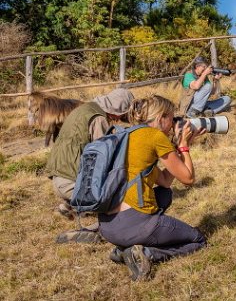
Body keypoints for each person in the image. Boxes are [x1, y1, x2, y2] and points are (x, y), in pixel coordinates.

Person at [99, 95, 207, 281]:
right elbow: (188, 179)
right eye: (172, 119)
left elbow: (165, 180)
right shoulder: (155, 136)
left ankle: (122, 250)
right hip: (133, 223)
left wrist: (175, 149)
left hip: (108, 226)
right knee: (198, 239)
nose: (173, 124)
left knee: (165, 194)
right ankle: (147, 253)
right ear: (160, 118)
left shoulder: (127, 135)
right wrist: (184, 147)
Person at [47, 88, 134, 222]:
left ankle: (69, 204)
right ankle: (84, 203)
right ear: (118, 109)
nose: (120, 119)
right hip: (71, 183)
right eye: (122, 114)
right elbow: (105, 156)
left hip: (59, 178)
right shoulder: (98, 119)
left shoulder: (85, 109)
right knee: (119, 194)